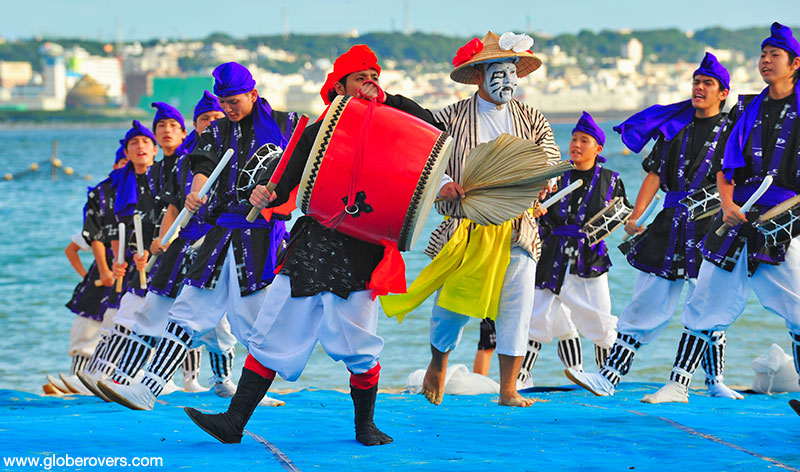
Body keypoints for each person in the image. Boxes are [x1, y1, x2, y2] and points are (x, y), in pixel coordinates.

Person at [184, 44, 442, 446]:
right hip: (312, 244)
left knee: (358, 342)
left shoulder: (396, 124)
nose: (370, 82)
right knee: (271, 332)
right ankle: (233, 423)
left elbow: (430, 127)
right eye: (361, 77)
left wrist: (385, 100)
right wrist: (265, 193)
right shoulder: (318, 131)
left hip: (362, 248)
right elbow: (282, 177)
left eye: (375, 76)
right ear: (340, 86)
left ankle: (365, 426)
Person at [98, 62, 295, 410]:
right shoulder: (216, 132)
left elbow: (301, 169)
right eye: (224, 102)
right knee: (187, 311)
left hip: (260, 238)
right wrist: (197, 192)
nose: (229, 109)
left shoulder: (284, 124)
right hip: (221, 233)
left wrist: (274, 195)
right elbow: (203, 165)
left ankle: (251, 396)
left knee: (256, 327)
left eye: (235, 101)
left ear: (253, 94)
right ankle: (147, 389)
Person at [382, 31, 561, 407]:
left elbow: (549, 158)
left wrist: (545, 181)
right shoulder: (450, 117)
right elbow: (421, 156)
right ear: (479, 75)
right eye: (499, 72)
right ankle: (438, 363)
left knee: (517, 304)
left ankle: (508, 388)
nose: (508, 81)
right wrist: (444, 183)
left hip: (518, 228)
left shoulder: (531, 118)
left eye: (512, 72)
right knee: (451, 307)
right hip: (467, 225)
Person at [567, 53, 743, 399]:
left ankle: (711, 380)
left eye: (708, 83)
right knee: (647, 301)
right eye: (696, 82)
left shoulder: (731, 131)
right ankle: (609, 377)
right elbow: (655, 174)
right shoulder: (676, 126)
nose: (699, 88)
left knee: (706, 301)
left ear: (723, 93)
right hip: (669, 224)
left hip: (711, 225)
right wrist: (636, 216)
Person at [642, 22, 800, 404]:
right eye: (762, 55)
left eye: (773, 55)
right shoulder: (748, 107)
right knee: (706, 300)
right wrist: (727, 204)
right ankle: (679, 385)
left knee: (798, 305)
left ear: (795, 63)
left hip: (784, 218)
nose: (765, 61)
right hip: (736, 215)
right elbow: (727, 166)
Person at [106, 94, 243, 397]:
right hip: (181, 247)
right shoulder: (185, 162)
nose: (211, 124)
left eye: (216, 119)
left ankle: (222, 382)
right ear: (195, 125)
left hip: (217, 247)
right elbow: (172, 207)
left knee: (219, 328)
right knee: (154, 310)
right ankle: (123, 378)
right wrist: (162, 240)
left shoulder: (238, 156)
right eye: (205, 120)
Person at [520, 112, 626, 386]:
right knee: (536, 315)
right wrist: (537, 211)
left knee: (601, 321)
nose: (576, 145)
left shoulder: (611, 181)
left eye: (584, 140)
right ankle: (522, 375)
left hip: (589, 259)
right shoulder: (555, 177)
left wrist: (634, 225)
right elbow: (534, 213)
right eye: (574, 139)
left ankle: (606, 377)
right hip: (551, 255)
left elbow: (621, 215)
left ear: (598, 148)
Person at [55, 145, 129, 394]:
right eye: (121, 163)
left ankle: (109, 382)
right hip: (96, 285)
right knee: (84, 336)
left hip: (125, 282)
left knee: (120, 332)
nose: (124, 169)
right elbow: (71, 249)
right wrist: (89, 274)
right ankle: (74, 381)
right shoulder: (101, 210)